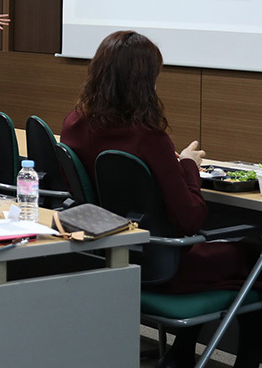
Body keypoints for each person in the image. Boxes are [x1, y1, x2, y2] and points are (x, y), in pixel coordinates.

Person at [60, 32, 262, 350]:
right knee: (253, 255)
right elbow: (191, 219)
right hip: (163, 268)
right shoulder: (148, 138)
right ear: (143, 83)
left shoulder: (74, 123)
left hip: (106, 258)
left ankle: (181, 355)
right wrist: (188, 166)